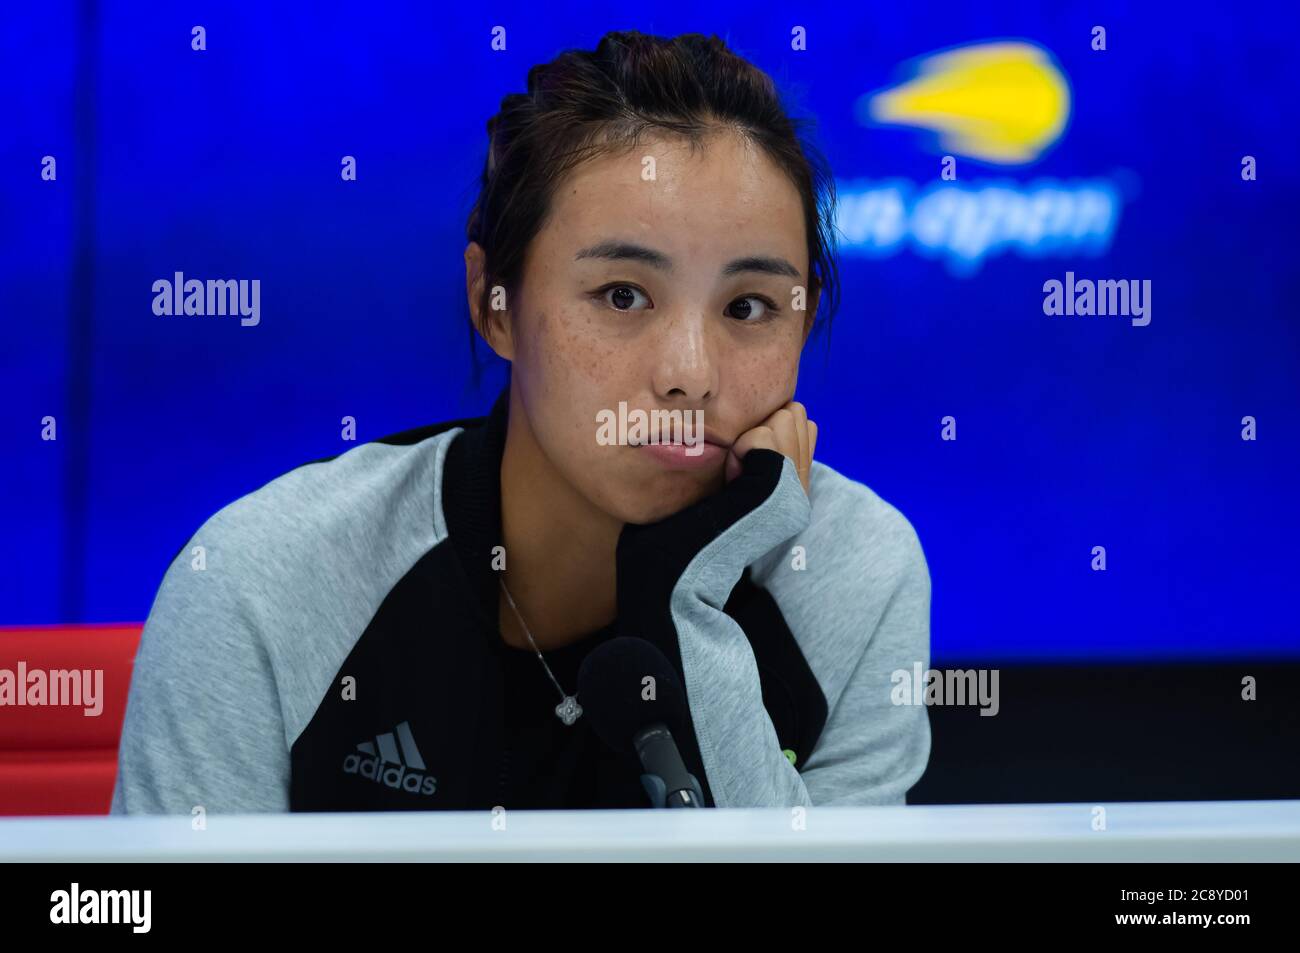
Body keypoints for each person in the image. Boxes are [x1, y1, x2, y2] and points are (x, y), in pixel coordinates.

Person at [111, 30, 931, 814]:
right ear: (491, 304)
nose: (691, 375)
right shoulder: (263, 580)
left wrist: (684, 607)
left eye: (748, 306)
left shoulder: (851, 571)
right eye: (622, 295)